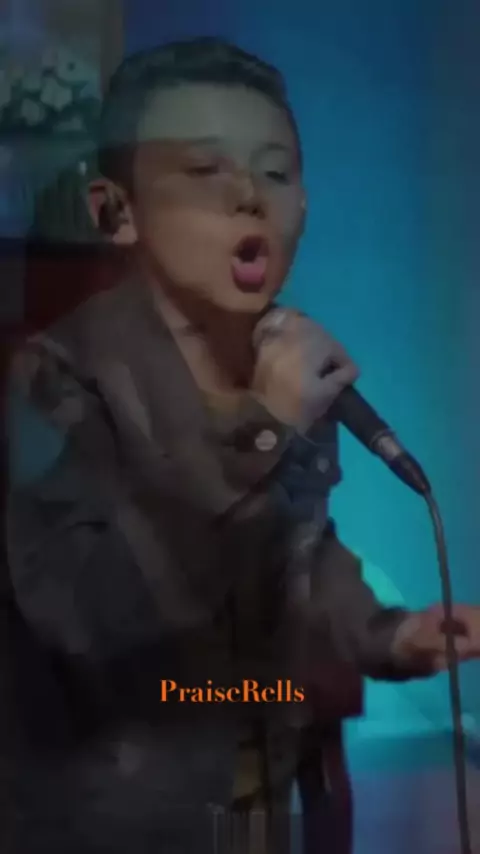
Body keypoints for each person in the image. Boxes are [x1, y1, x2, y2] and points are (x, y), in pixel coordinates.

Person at [5, 38, 480, 854]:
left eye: (275, 172)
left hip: (263, 791)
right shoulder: (53, 380)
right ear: (116, 211)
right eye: (204, 170)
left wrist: (390, 634)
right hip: (112, 816)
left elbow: (297, 550)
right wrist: (263, 429)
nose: (249, 198)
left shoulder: (280, 361)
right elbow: (91, 613)